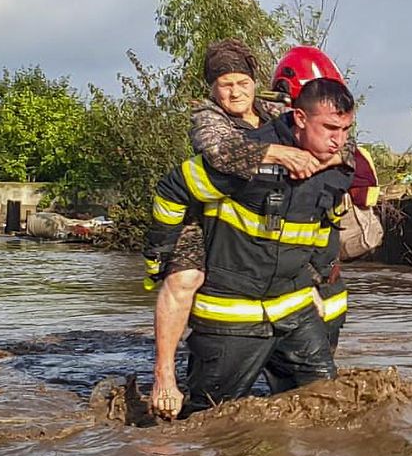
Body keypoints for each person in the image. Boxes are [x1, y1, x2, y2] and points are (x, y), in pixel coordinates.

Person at [149, 40, 352, 419]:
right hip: (201, 213)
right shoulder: (208, 118)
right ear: (212, 88)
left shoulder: (278, 112)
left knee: (326, 405)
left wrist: (319, 160)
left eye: (242, 82)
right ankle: (164, 376)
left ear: (255, 83)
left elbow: (338, 139)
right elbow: (220, 156)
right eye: (225, 84)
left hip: (281, 288)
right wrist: (276, 156)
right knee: (185, 279)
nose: (235, 92)